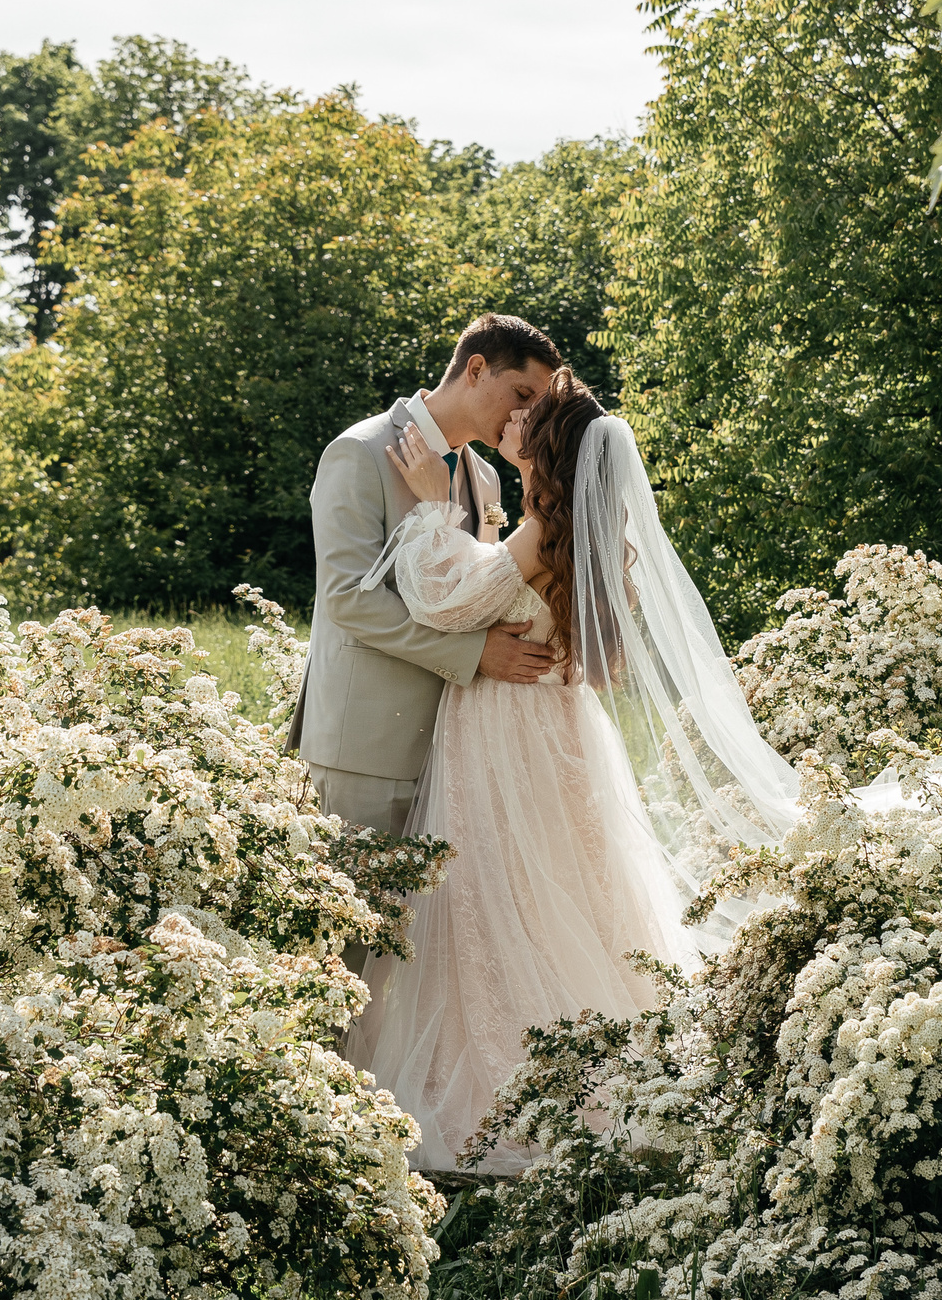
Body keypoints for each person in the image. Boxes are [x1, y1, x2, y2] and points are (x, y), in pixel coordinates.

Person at [346, 370, 802, 1173]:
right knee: (554, 892)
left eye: (530, 414)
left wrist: (424, 506)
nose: (513, 419)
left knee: (503, 892)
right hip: (557, 733)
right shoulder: (565, 535)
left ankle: (521, 1081)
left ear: (545, 449)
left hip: (508, 737)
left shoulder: (538, 531)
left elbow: (442, 598)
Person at [289, 314, 565, 838]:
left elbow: (472, 593)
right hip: (368, 746)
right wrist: (476, 654)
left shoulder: (486, 476)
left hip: (461, 747)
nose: (527, 414)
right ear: (477, 369)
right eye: (522, 392)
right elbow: (347, 598)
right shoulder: (361, 451)